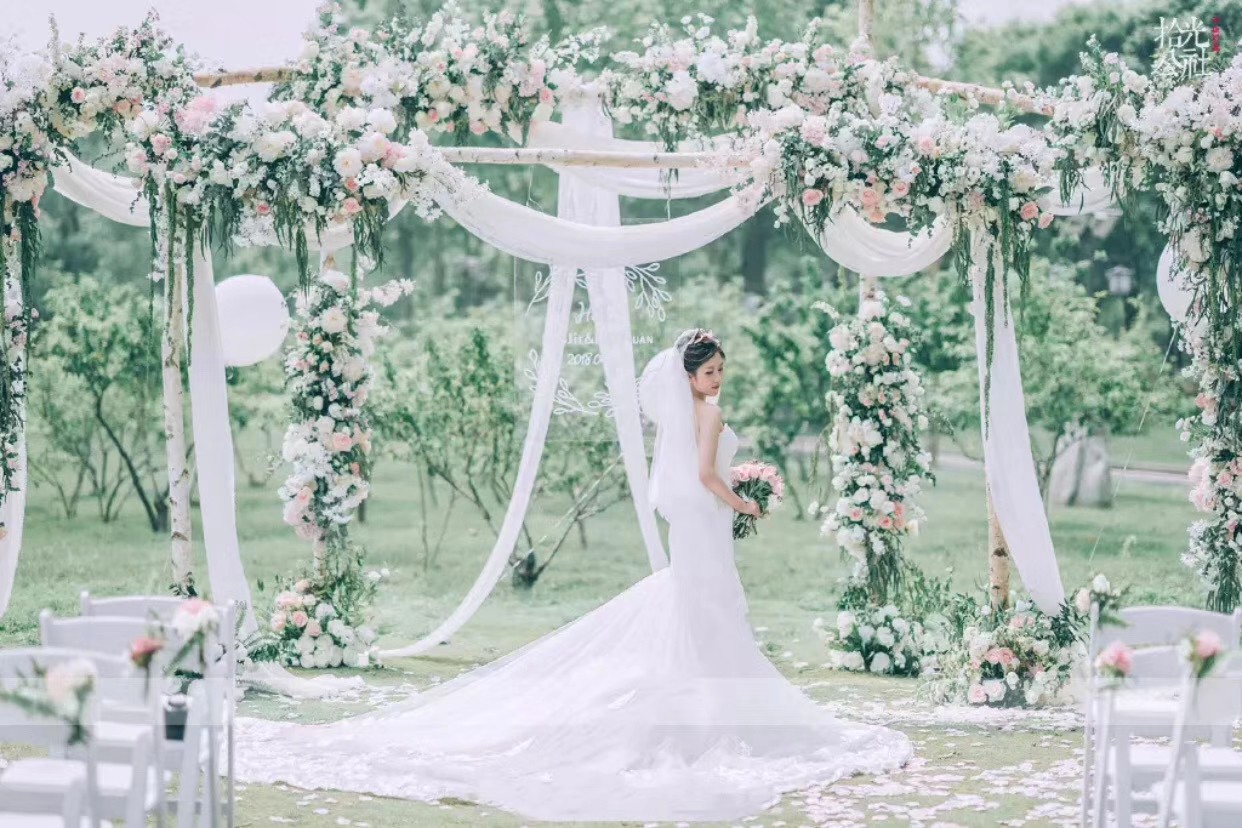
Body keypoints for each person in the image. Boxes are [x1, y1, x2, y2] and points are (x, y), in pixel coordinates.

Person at [235, 328, 912, 822]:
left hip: (693, 527)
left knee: (703, 609)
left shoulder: (684, 416)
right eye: (709, 371)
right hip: (705, 522)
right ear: (688, 377)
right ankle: (709, 711)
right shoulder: (708, 414)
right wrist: (746, 502)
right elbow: (708, 476)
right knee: (710, 609)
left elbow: (686, 477)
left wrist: (730, 494)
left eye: (720, 371)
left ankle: (703, 703)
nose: (716, 380)